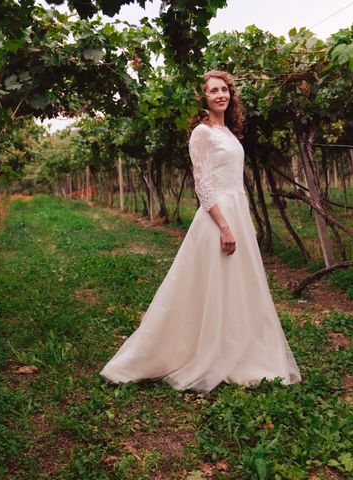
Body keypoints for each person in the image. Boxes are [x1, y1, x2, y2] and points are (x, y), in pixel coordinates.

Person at [100, 70, 301, 392]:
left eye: (224, 90)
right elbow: (203, 185)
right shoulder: (202, 133)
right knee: (205, 286)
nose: (221, 95)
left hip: (237, 208)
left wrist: (241, 221)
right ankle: (182, 352)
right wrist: (224, 226)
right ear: (204, 98)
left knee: (237, 285)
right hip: (218, 216)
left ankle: (238, 348)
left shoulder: (228, 132)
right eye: (213, 91)